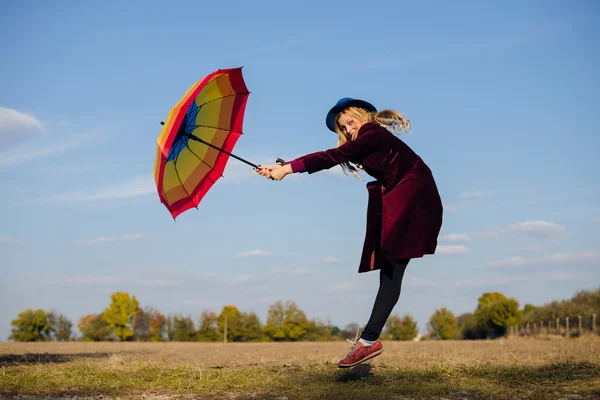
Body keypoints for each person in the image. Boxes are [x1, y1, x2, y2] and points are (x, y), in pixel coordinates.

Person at [256, 97, 443, 368]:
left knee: (391, 269)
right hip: (409, 196)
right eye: (342, 128)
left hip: (412, 195)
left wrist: (288, 169)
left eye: (349, 121)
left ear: (361, 115)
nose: (347, 129)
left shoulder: (373, 132)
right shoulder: (365, 143)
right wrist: (282, 167)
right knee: (390, 271)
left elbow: (331, 157)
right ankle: (368, 341)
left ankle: (368, 341)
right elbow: (333, 156)